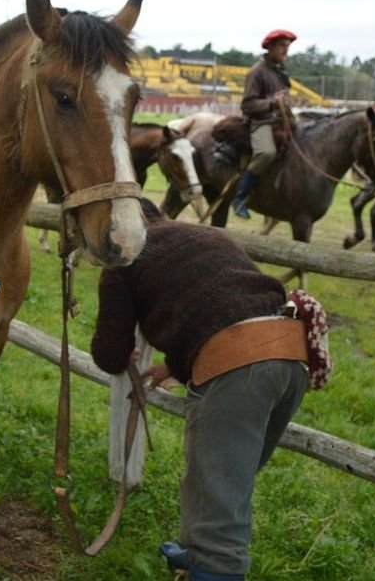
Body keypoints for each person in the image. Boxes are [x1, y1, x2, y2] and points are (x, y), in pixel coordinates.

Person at [91, 198, 330, 581]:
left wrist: (122, 352)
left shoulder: (124, 258)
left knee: (220, 501)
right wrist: (174, 363)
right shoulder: (198, 233)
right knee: (222, 484)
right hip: (291, 356)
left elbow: (109, 353)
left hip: (240, 368)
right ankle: (196, 557)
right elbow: (222, 304)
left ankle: (213, 567)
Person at [232, 29, 297, 219]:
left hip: (280, 122)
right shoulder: (257, 71)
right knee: (266, 153)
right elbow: (247, 105)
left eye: (288, 46)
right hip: (261, 123)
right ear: (270, 47)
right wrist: (272, 103)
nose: (286, 50)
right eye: (282, 46)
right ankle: (240, 197)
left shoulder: (279, 72)